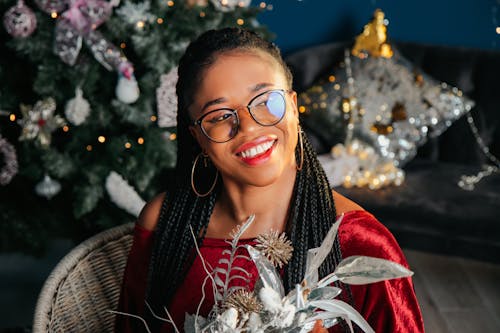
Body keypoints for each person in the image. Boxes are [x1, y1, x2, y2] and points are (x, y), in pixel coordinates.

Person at [115, 27, 424, 333]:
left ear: (292, 106)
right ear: (198, 137)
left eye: (265, 100)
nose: (248, 127)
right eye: (220, 115)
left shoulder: (362, 244)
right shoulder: (164, 223)